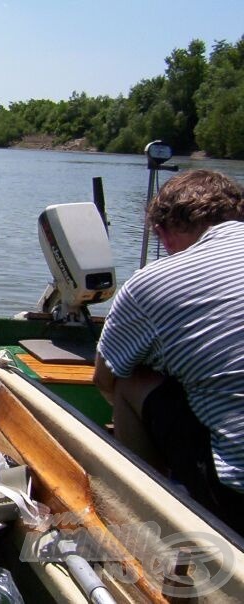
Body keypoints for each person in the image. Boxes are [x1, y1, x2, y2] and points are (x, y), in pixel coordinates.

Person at [93, 169, 244, 534]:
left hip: (237, 496)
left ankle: (151, 520)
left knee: (130, 381)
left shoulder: (154, 281)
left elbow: (105, 378)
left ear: (161, 232)